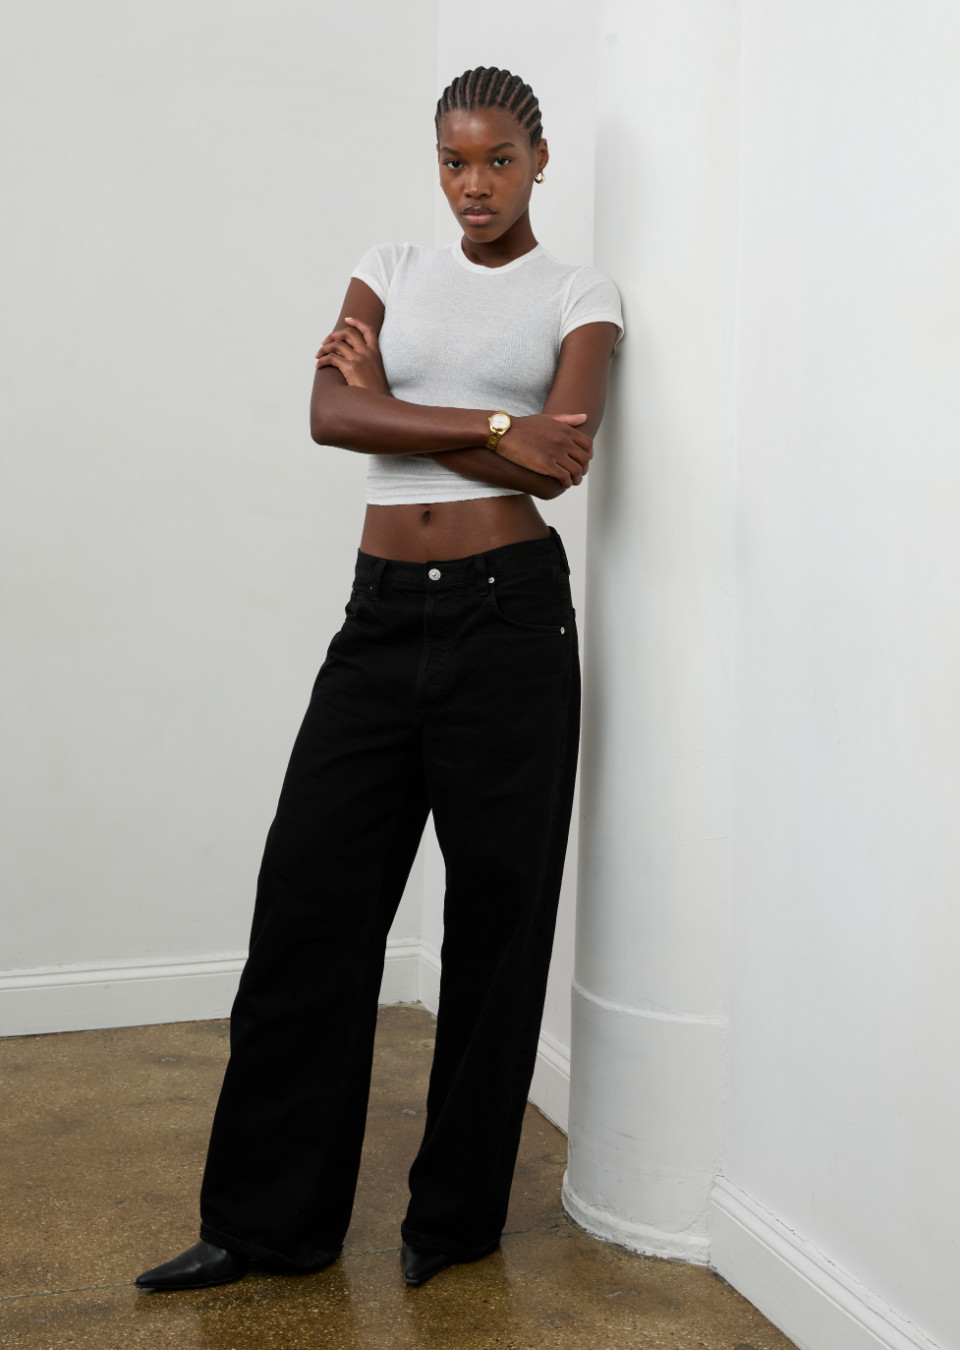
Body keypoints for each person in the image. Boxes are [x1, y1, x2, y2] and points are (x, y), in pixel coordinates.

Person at [135, 65, 622, 1294]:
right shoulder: (389, 268)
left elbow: (560, 464)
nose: (475, 184)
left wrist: (394, 401)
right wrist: (492, 425)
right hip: (379, 619)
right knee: (308, 909)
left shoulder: (581, 294)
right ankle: (265, 1226)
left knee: (496, 926)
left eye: (498, 160)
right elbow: (328, 417)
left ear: (540, 161)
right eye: (455, 161)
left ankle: (452, 1223)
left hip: (510, 624)